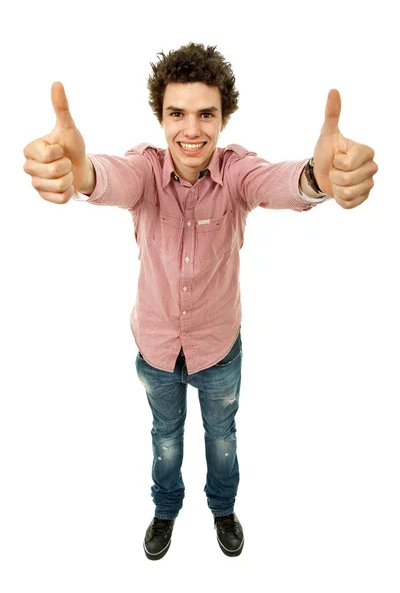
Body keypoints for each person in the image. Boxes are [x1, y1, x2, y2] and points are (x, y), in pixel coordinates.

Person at [22, 42, 378, 561]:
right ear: (161, 118)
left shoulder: (236, 173)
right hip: (157, 350)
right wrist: (79, 175)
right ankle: (165, 511)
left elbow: (278, 181)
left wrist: (317, 180)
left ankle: (222, 509)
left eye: (205, 114)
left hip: (218, 351)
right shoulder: (145, 171)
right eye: (177, 114)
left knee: (222, 438)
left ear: (223, 117)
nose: (192, 130)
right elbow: (110, 177)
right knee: (165, 437)